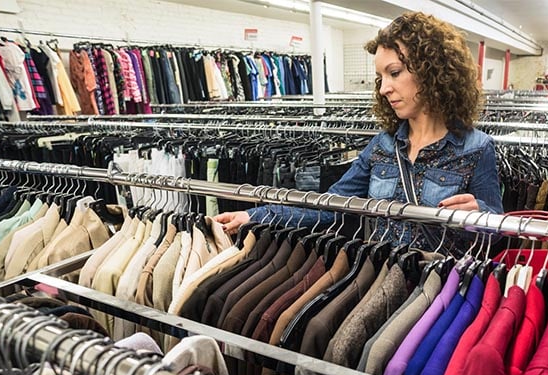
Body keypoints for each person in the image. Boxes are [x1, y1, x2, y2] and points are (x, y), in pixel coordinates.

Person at [214, 12, 503, 250]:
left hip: (445, 292)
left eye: (394, 72)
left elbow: (497, 233)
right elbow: (328, 206)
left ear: (432, 71)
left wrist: (480, 217)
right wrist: (253, 215)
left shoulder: (476, 148)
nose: (384, 88)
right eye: (380, 77)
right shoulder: (383, 147)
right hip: (383, 280)